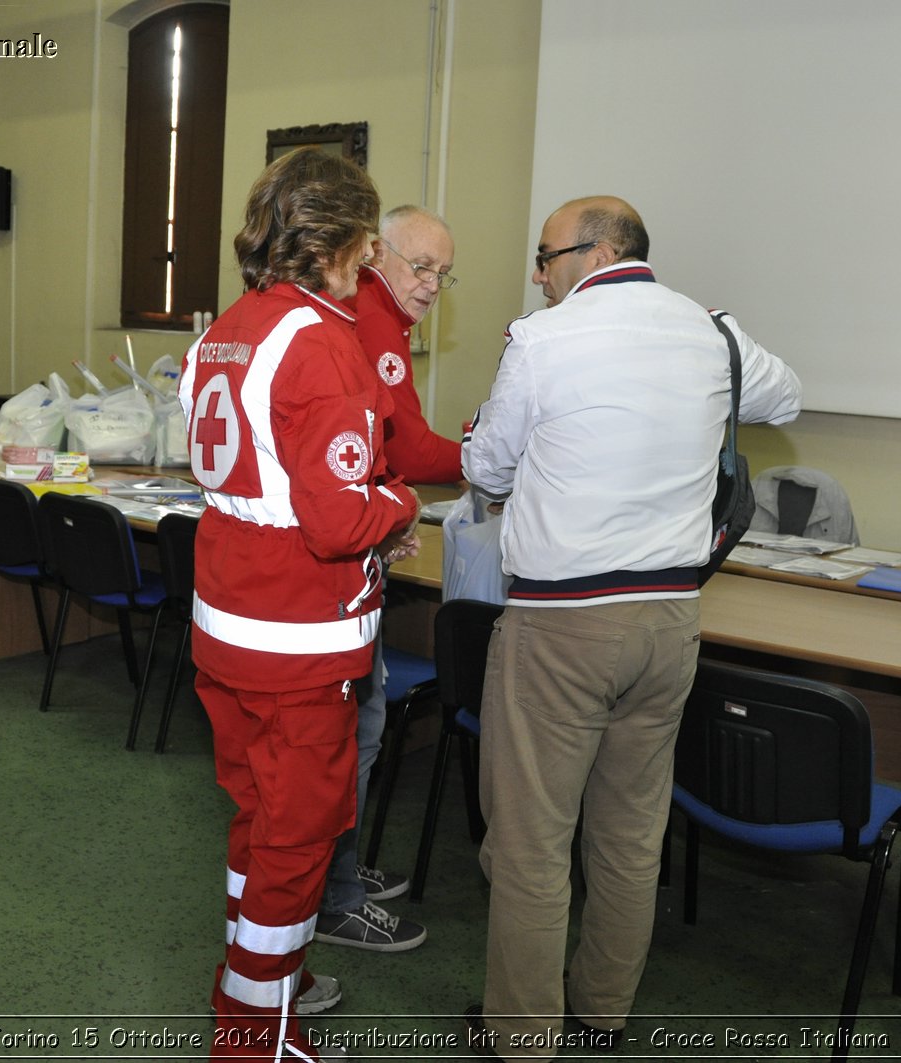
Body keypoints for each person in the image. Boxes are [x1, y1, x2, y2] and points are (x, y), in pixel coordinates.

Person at [460, 195, 802, 1057]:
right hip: (670, 621)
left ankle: (523, 1037)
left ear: (596, 251)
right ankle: (600, 1016)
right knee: (628, 835)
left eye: (544, 256)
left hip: (562, 625)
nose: (538, 276)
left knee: (534, 842)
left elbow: (485, 464)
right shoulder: (711, 333)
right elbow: (788, 397)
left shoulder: (545, 339)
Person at [178, 148, 422, 1061]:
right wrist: (400, 504)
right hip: (297, 641)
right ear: (349, 243)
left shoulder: (232, 325)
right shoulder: (326, 342)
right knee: (298, 841)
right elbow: (336, 518)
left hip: (226, 624)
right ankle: (253, 1035)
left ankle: (253, 988)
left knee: (255, 821)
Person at [314, 205, 460, 954]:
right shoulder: (370, 319)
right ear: (375, 257)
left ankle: (336, 875)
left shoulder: (371, 316)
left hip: (340, 567)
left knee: (357, 727)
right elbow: (401, 442)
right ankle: (332, 893)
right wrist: (485, 452)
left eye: (444, 272)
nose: (433, 284)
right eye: (421, 266)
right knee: (354, 731)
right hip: (330, 581)